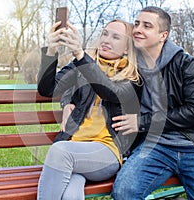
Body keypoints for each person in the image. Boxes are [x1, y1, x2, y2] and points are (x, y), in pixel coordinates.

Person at [107, 6, 194, 200]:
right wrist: (68, 101)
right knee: (124, 192)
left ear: (163, 35)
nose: (137, 29)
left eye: (147, 26)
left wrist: (142, 121)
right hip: (155, 147)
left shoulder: (185, 63)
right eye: (136, 24)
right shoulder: (128, 65)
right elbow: (86, 80)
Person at [36, 19, 142, 200]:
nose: (106, 40)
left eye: (116, 37)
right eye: (105, 34)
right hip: (76, 147)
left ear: (127, 48)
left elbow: (110, 92)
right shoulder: (82, 65)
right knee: (71, 192)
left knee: (60, 152)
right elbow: (48, 89)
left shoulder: (132, 77)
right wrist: (51, 50)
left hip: (107, 151)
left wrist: (79, 53)